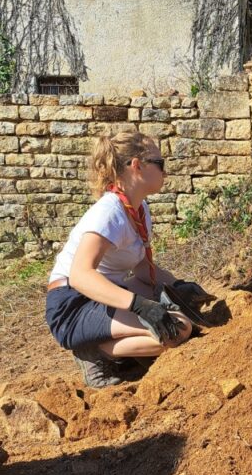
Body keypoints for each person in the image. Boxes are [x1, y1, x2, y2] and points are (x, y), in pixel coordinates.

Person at [45, 128, 209, 388]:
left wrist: (177, 285)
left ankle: (124, 352)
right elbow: (79, 275)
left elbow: (143, 270)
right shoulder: (110, 212)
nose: (165, 171)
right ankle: (94, 352)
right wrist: (140, 306)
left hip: (101, 296)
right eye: (160, 163)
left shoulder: (138, 208)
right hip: (72, 306)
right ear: (137, 166)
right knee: (178, 328)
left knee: (161, 295)